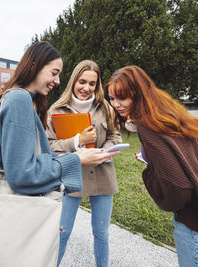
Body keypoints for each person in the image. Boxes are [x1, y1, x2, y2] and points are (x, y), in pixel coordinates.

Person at [105, 65, 198, 266]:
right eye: (111, 98)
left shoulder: (148, 127)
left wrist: (149, 172)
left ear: (138, 94)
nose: (116, 104)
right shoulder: (168, 114)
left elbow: (178, 192)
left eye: (122, 98)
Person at [0, 42, 119, 198]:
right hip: (22, 209)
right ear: (34, 66)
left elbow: (34, 158)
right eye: (54, 73)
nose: (57, 81)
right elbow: (22, 175)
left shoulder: (20, 98)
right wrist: (77, 158)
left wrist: (70, 156)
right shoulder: (19, 100)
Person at [46, 60, 122, 267]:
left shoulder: (105, 107)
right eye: (82, 82)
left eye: (92, 84)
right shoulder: (57, 110)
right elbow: (49, 146)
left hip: (102, 177)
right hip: (70, 177)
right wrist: (77, 141)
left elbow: (116, 136)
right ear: (73, 81)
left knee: (101, 233)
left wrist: (105, 152)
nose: (86, 88)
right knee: (62, 232)